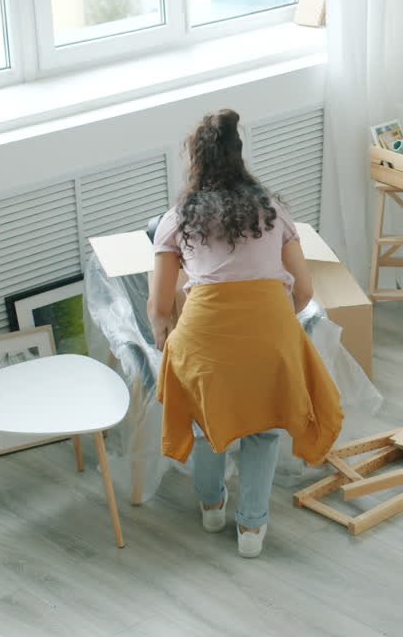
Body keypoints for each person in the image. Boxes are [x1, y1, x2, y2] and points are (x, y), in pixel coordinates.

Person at [148, 108, 342, 558]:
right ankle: (252, 530)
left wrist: (165, 336)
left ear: (195, 163)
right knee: (264, 429)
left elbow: (159, 306)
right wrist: (272, 319)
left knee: (204, 422)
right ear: (239, 157)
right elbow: (305, 289)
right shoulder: (273, 211)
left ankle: (212, 505)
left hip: (204, 336)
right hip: (269, 330)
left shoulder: (176, 219)